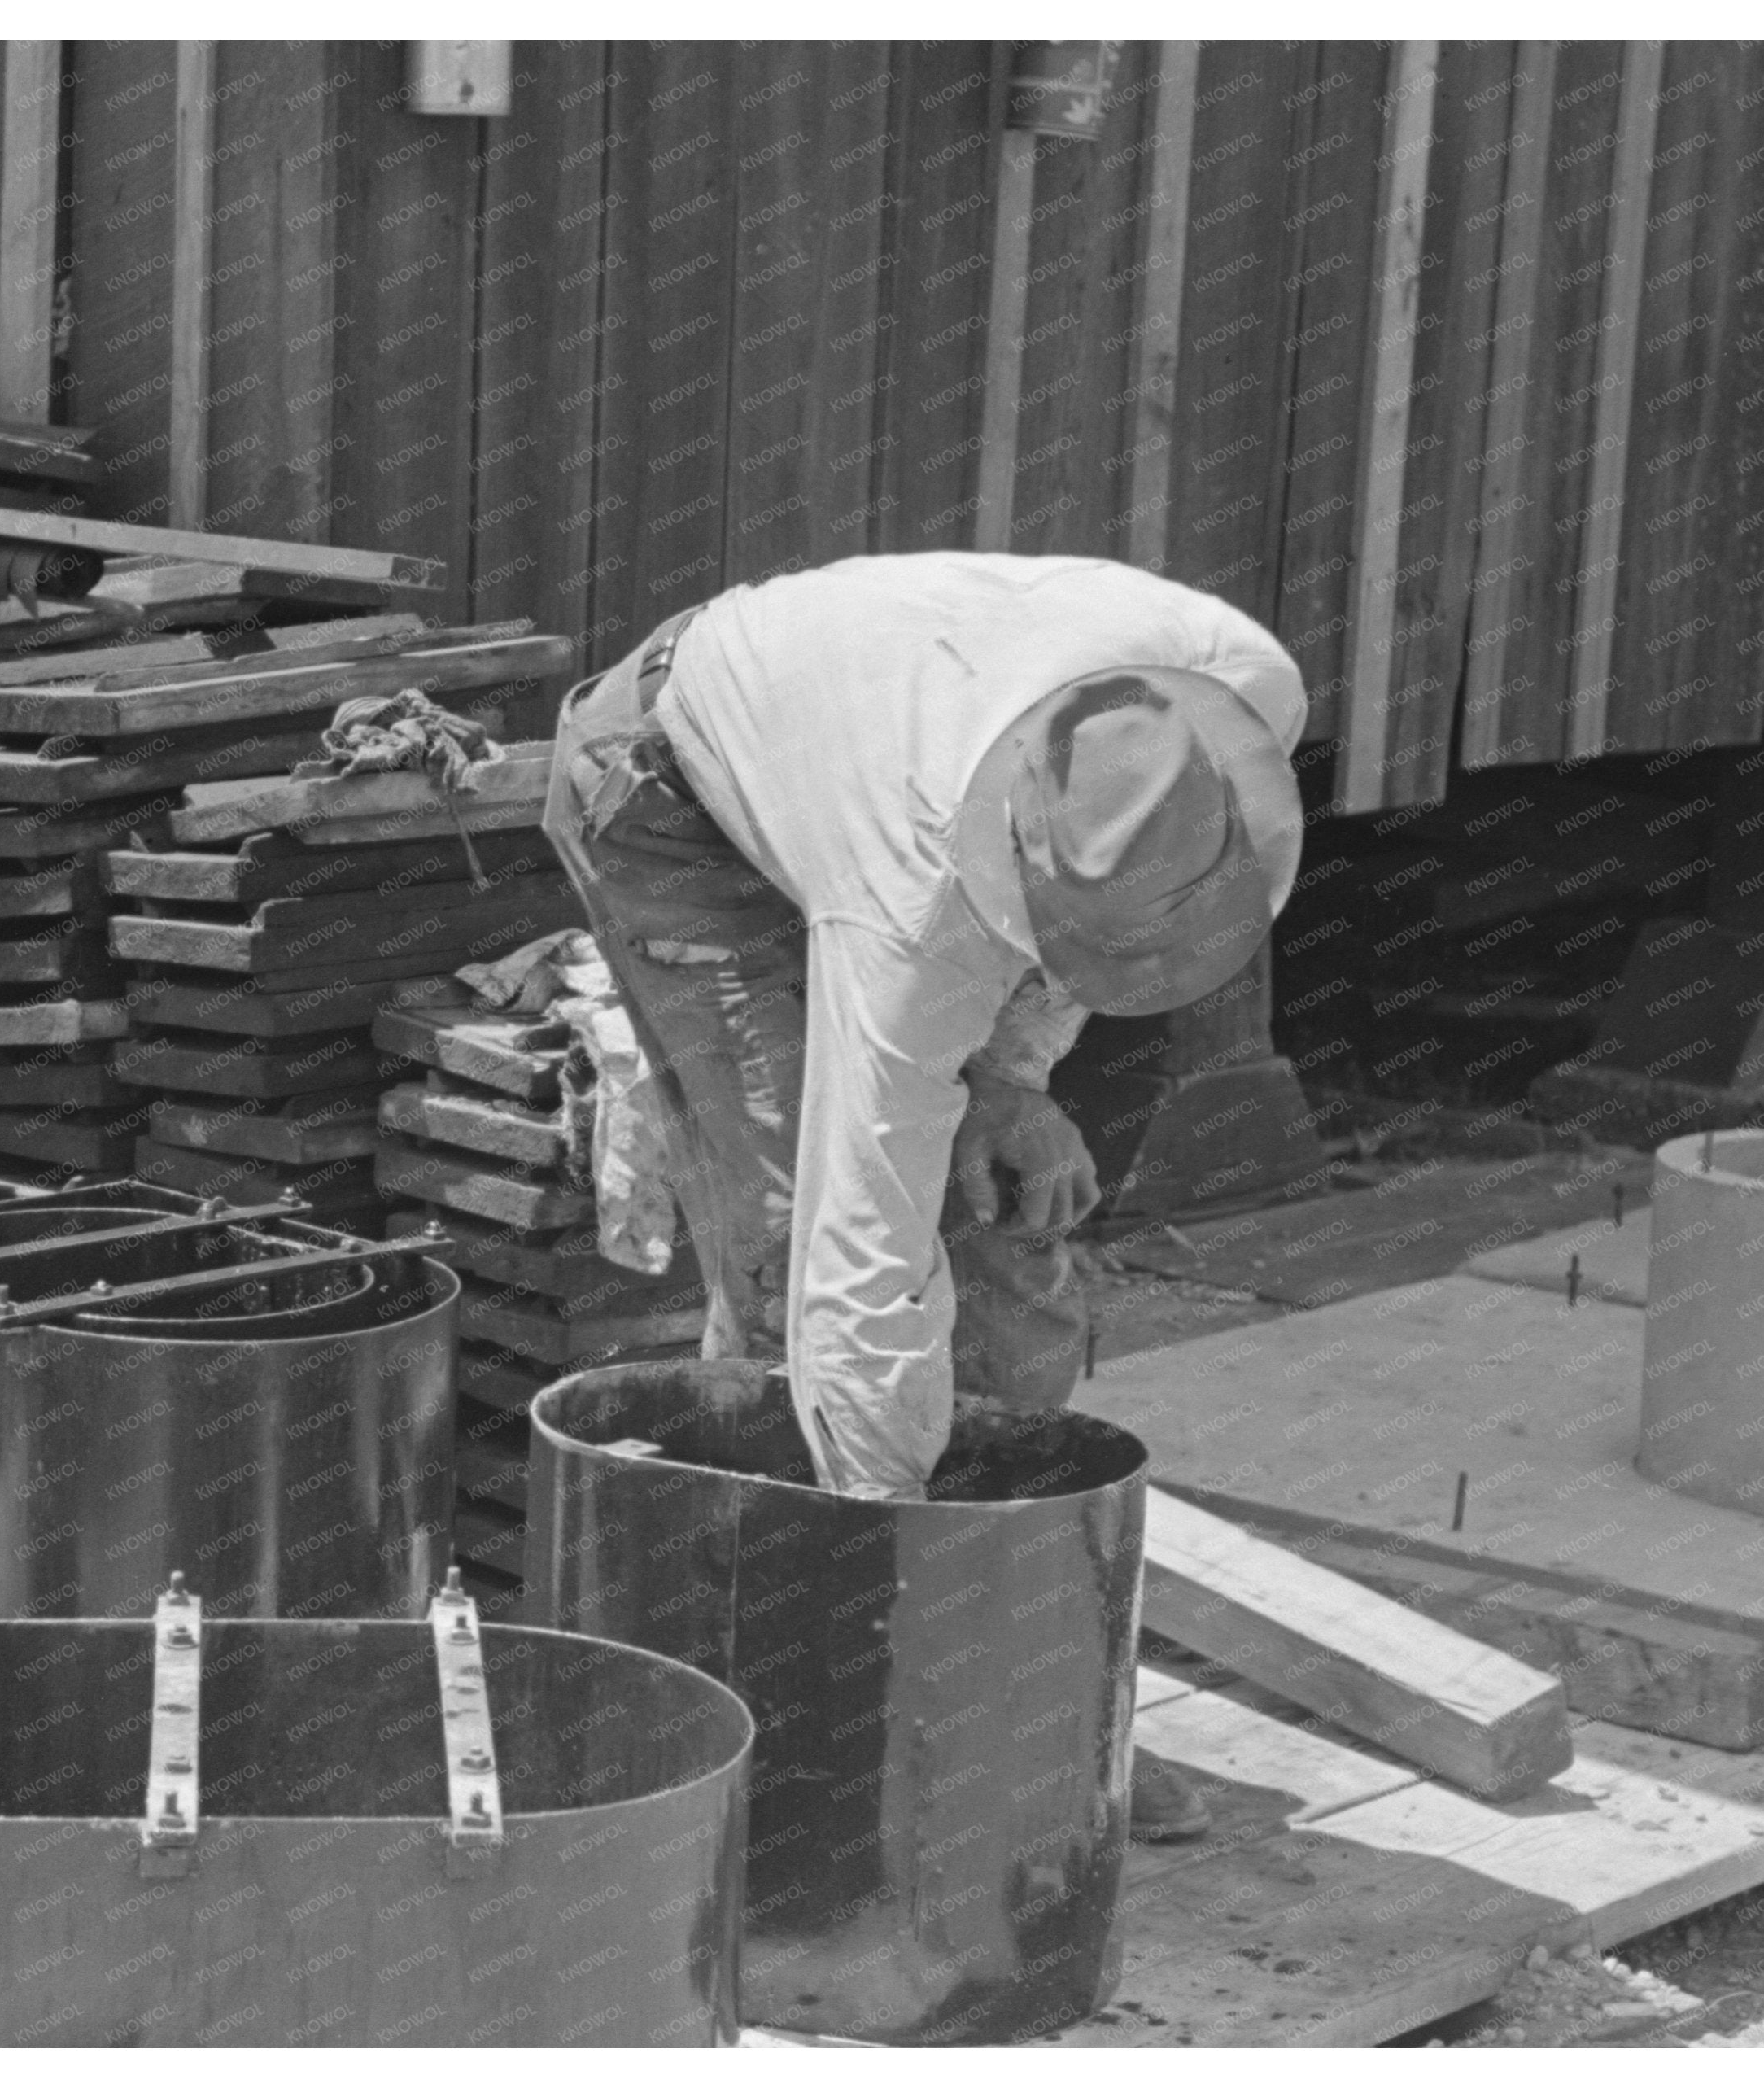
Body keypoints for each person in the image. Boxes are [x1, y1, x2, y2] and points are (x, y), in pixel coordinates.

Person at [542, 551, 1308, 1841]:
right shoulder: (906, 917)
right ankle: (802, 1721)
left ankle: (1021, 1695)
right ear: (1017, 868)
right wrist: (884, 1545)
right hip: (670, 793)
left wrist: (1010, 1075)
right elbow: (861, 1251)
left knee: (1011, 1219)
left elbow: (1073, 932)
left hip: (882, 749)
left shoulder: (1238, 705)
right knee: (797, 1250)